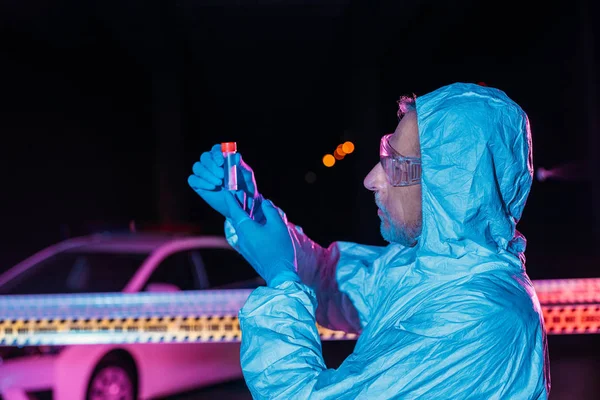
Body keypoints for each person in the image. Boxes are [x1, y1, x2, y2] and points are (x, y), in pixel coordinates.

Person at [188, 82, 551, 399]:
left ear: (450, 187)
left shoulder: (481, 322)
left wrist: (282, 278)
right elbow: (336, 286)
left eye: (395, 164)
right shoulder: (433, 272)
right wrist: (254, 215)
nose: (371, 179)